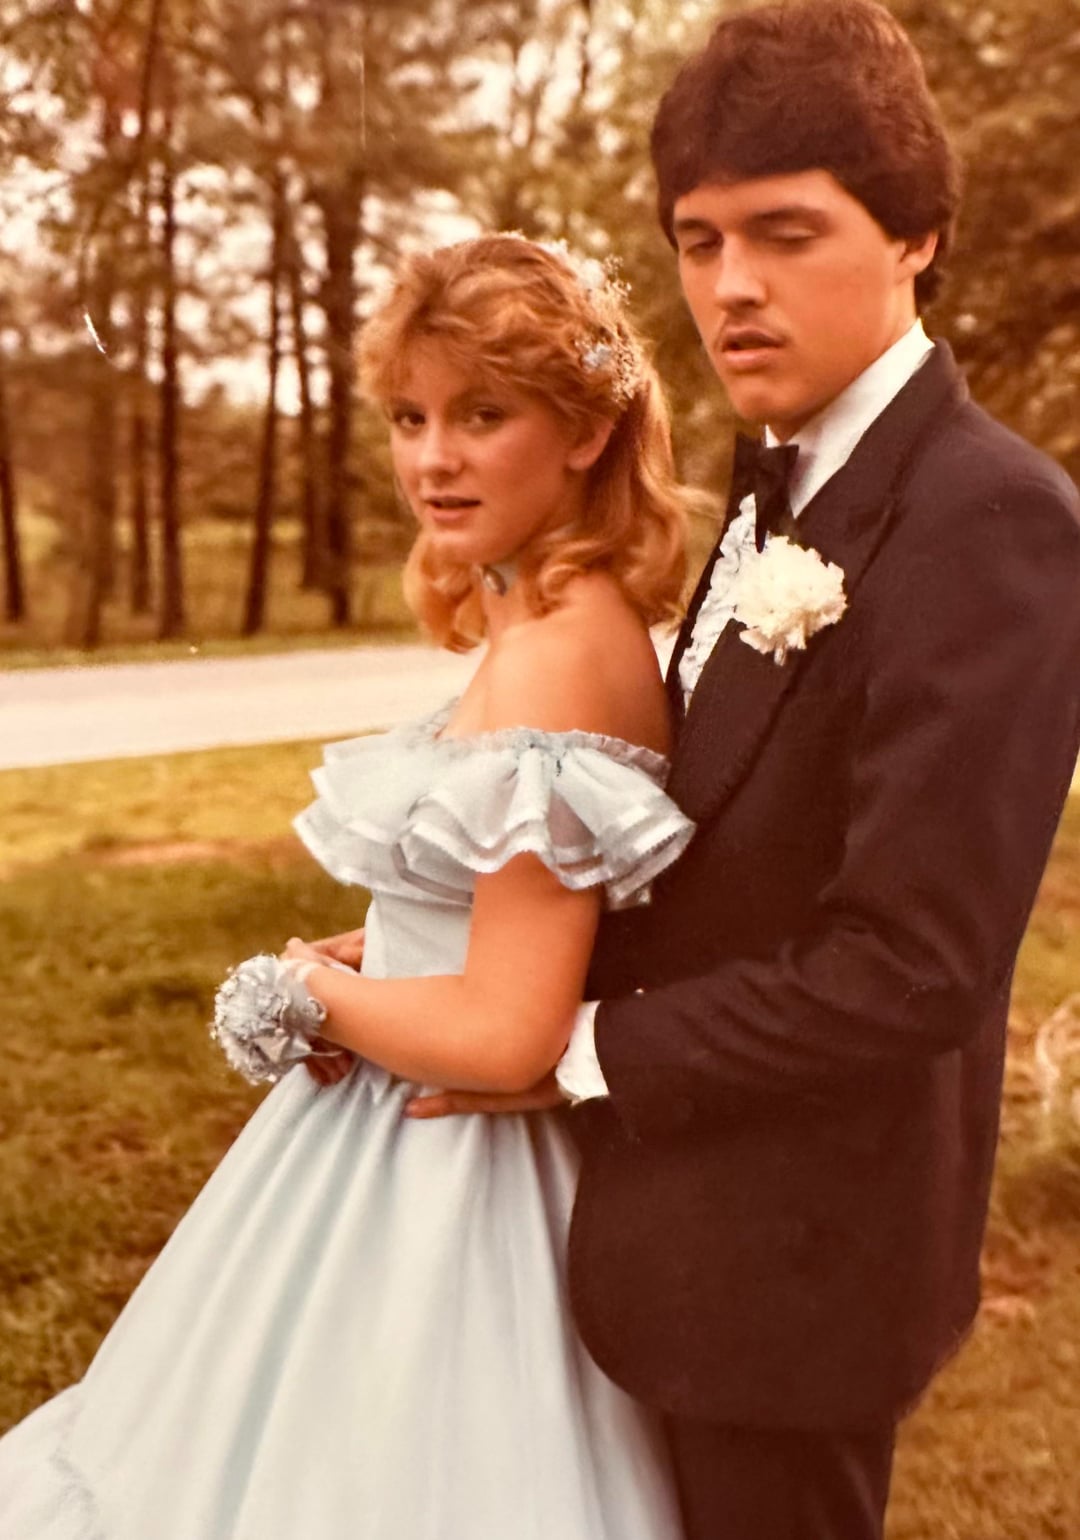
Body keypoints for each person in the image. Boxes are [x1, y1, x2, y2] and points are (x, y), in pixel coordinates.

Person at [405, 4, 1080, 1538]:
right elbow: (711, 850)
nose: (730, 289)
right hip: (675, 1245)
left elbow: (916, 965)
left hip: (798, 1275)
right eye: (698, 242)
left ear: (915, 234)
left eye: (784, 233)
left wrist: (568, 1053)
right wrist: (452, 967)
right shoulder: (782, 476)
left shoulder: (990, 518)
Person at [0, 235, 696, 1539]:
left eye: (484, 415)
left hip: (457, 1176)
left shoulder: (558, 653)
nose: (434, 457)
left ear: (590, 427)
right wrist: (381, 948)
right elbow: (495, 924)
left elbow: (506, 1031)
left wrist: (302, 988)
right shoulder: (541, 619)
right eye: (411, 416)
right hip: (403, 1147)